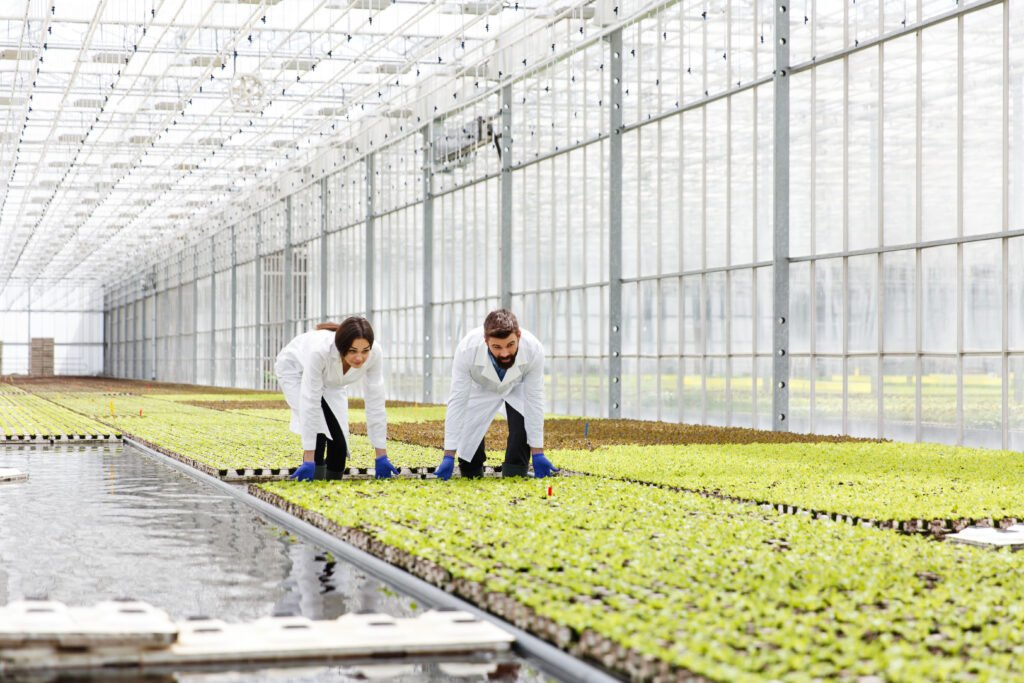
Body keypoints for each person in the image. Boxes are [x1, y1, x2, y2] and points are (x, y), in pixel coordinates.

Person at [435, 309, 558, 480]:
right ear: (486, 341)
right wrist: (448, 455)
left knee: (522, 425)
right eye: (497, 347)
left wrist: (538, 452)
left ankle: (516, 471)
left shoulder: (533, 350)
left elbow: (534, 400)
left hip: (516, 387)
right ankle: (471, 471)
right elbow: (457, 401)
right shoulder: (467, 350)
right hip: (479, 388)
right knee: (469, 433)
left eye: (510, 345)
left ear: (519, 336)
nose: (505, 353)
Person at [274, 316, 397, 481]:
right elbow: (310, 401)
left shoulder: (375, 353)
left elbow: (375, 403)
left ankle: (332, 487)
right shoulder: (320, 352)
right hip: (296, 371)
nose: (359, 358)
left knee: (339, 447)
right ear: (341, 347)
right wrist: (309, 459)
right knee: (319, 430)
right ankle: (312, 482)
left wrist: (381, 454)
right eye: (353, 351)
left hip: (332, 383)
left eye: (365, 351)